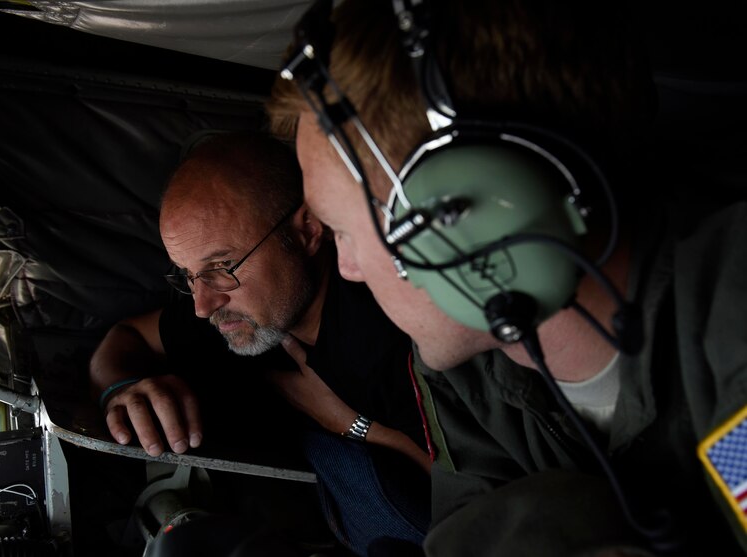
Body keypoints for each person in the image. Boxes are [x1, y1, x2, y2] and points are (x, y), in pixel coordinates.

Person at [268, 0, 747, 555]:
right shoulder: (465, 381)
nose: (346, 270)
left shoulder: (731, 311)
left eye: (341, 232)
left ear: (476, 217)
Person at [88, 132, 431, 556]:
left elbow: (488, 490)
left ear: (306, 230)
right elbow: (124, 337)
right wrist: (122, 388)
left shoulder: (395, 329)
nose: (201, 305)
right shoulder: (233, 309)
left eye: (223, 265)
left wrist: (349, 423)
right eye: (187, 275)